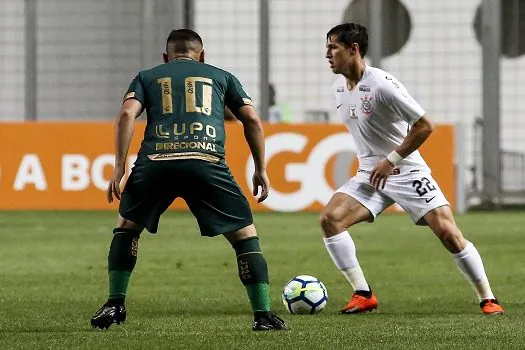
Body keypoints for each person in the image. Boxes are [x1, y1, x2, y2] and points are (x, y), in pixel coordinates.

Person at [90, 29, 287, 331]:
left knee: (127, 227)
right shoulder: (222, 76)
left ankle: (115, 304)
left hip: (156, 162)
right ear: (202, 55)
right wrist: (260, 167)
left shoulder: (147, 76)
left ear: (166, 57)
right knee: (245, 236)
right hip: (206, 161)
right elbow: (251, 119)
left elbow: (127, 115)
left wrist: (119, 166)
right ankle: (262, 315)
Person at [321, 23, 503, 315]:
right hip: (371, 174)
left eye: (333, 47)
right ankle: (363, 294)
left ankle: (488, 298)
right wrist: (377, 164)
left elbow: (424, 126)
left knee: (448, 233)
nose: (327, 54)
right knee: (331, 219)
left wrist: (390, 159)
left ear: (353, 50)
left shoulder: (381, 84)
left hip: (405, 169)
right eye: (327, 47)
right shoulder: (338, 88)